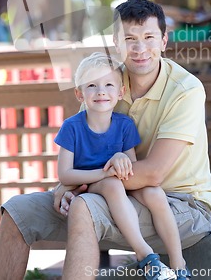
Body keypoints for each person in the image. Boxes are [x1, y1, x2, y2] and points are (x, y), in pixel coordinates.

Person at [0, 0, 211, 280]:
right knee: (18, 213)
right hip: (109, 194)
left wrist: (78, 185)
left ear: (164, 41)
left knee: (85, 206)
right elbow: (81, 147)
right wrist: (64, 186)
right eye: (130, 39)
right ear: (116, 44)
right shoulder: (106, 82)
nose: (140, 48)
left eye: (149, 37)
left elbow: (154, 174)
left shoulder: (185, 89)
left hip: (179, 207)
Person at [55, 52, 190, 279]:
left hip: (119, 180)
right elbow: (65, 175)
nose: (101, 91)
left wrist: (120, 157)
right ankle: (145, 255)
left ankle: (179, 266)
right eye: (92, 85)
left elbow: (131, 168)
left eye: (108, 84)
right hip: (91, 184)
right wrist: (103, 174)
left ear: (120, 92)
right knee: (113, 186)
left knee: (155, 193)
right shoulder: (71, 127)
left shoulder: (125, 125)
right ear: (79, 94)